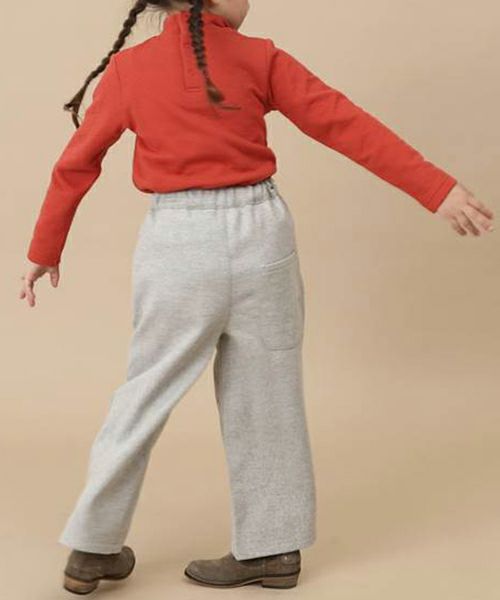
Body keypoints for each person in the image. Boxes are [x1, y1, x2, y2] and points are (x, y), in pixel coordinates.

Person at [19, 0, 494, 594]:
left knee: (144, 390)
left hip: (178, 242)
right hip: (260, 233)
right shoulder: (260, 58)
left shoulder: (129, 69)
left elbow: (77, 163)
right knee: (268, 391)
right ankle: (272, 548)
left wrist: (45, 248)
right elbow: (345, 123)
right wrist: (436, 189)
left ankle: (92, 546)